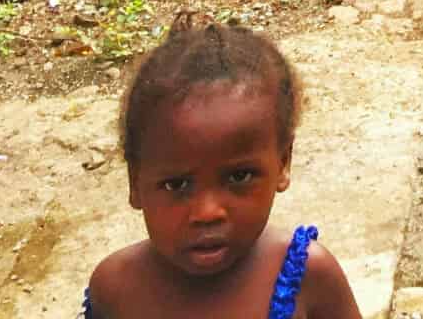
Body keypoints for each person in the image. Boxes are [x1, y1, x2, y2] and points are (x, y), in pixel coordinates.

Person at [85, 18, 360, 319]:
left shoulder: (308, 277)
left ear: (283, 162)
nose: (207, 213)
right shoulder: (115, 288)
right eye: (177, 184)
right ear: (134, 183)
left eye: (239, 177)